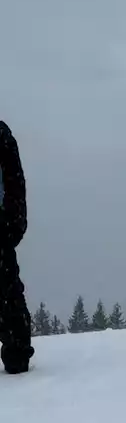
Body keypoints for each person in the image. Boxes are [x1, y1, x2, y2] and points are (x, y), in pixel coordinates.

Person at [0, 120, 33, 374]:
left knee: (8, 295)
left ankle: (17, 352)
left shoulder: (1, 136)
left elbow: (14, 183)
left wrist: (14, 223)